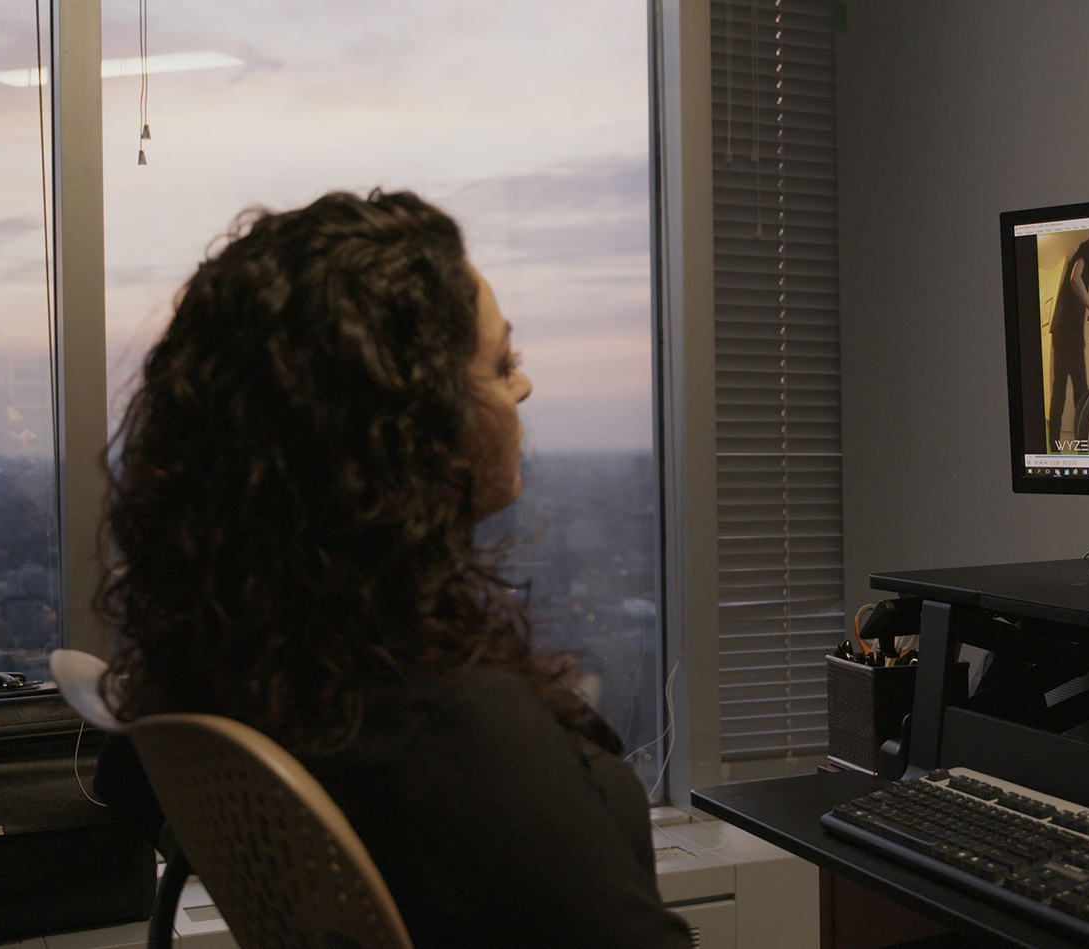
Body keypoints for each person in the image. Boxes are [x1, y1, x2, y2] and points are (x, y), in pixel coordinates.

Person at [92, 190, 692, 949]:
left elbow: (125, 780)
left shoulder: (241, 658)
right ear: (408, 424)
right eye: (502, 363)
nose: (525, 387)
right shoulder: (461, 742)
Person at [1048, 228, 1089, 448]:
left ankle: (1057, 443)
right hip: (1068, 331)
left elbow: (1077, 280)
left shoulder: (1081, 253)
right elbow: (1076, 279)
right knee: (1080, 386)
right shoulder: (1084, 249)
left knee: (1062, 388)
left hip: (1064, 330)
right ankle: (1084, 441)